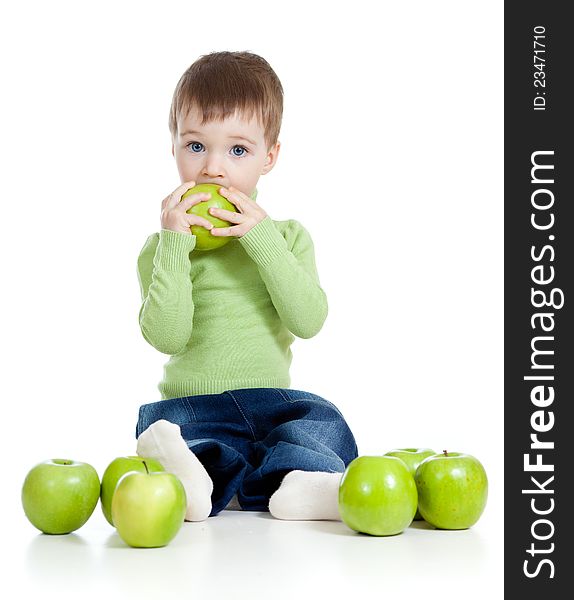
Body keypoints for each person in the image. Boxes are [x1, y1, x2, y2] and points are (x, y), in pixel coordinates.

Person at [135, 50, 358, 522]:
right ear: (173, 146)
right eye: (196, 146)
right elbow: (167, 337)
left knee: (319, 420)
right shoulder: (163, 251)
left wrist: (262, 238)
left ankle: (301, 484)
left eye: (237, 150)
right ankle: (192, 481)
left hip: (273, 404)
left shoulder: (288, 238)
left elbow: (309, 320)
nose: (213, 169)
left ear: (269, 157)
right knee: (177, 429)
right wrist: (175, 246)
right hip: (197, 405)